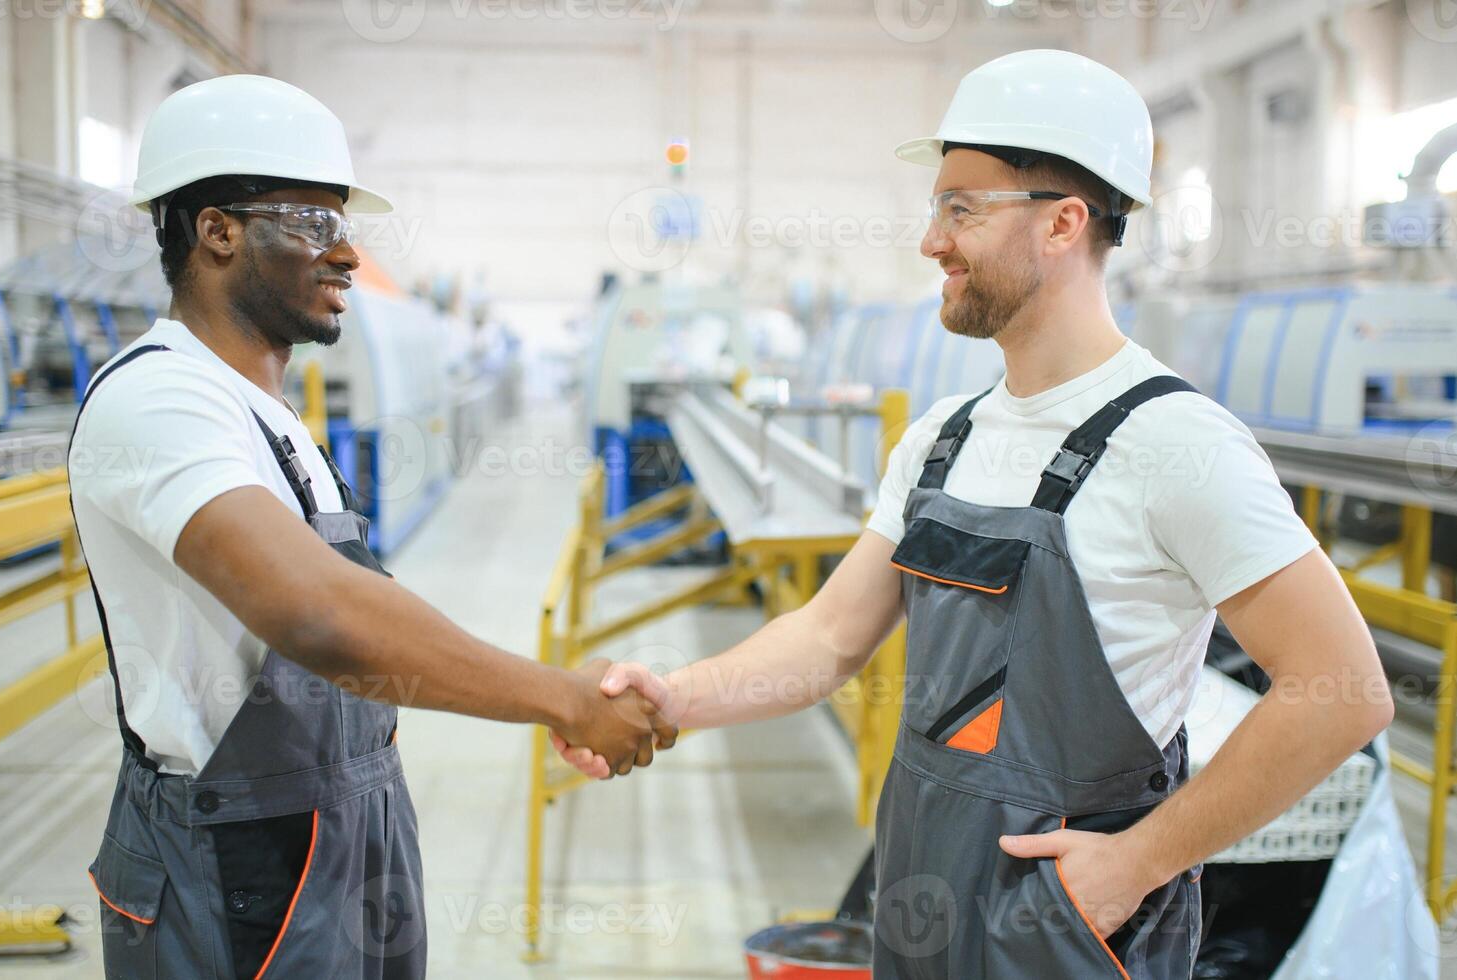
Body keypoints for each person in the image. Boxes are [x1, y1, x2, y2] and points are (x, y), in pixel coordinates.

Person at [553, 49, 1392, 978]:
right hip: (923, 883)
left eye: (960, 209)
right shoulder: (942, 438)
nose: (930, 242)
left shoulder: (1176, 445)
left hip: (1069, 923)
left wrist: (1136, 865)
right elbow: (830, 636)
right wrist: (680, 697)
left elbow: (1341, 690)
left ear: (1064, 224)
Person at [69, 75, 673, 980]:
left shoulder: (263, 410)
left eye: (343, 224)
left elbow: (352, 600)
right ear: (217, 230)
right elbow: (318, 615)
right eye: (314, 224)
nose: (348, 254)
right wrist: (564, 697)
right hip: (238, 857)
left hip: (345, 821)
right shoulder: (158, 399)